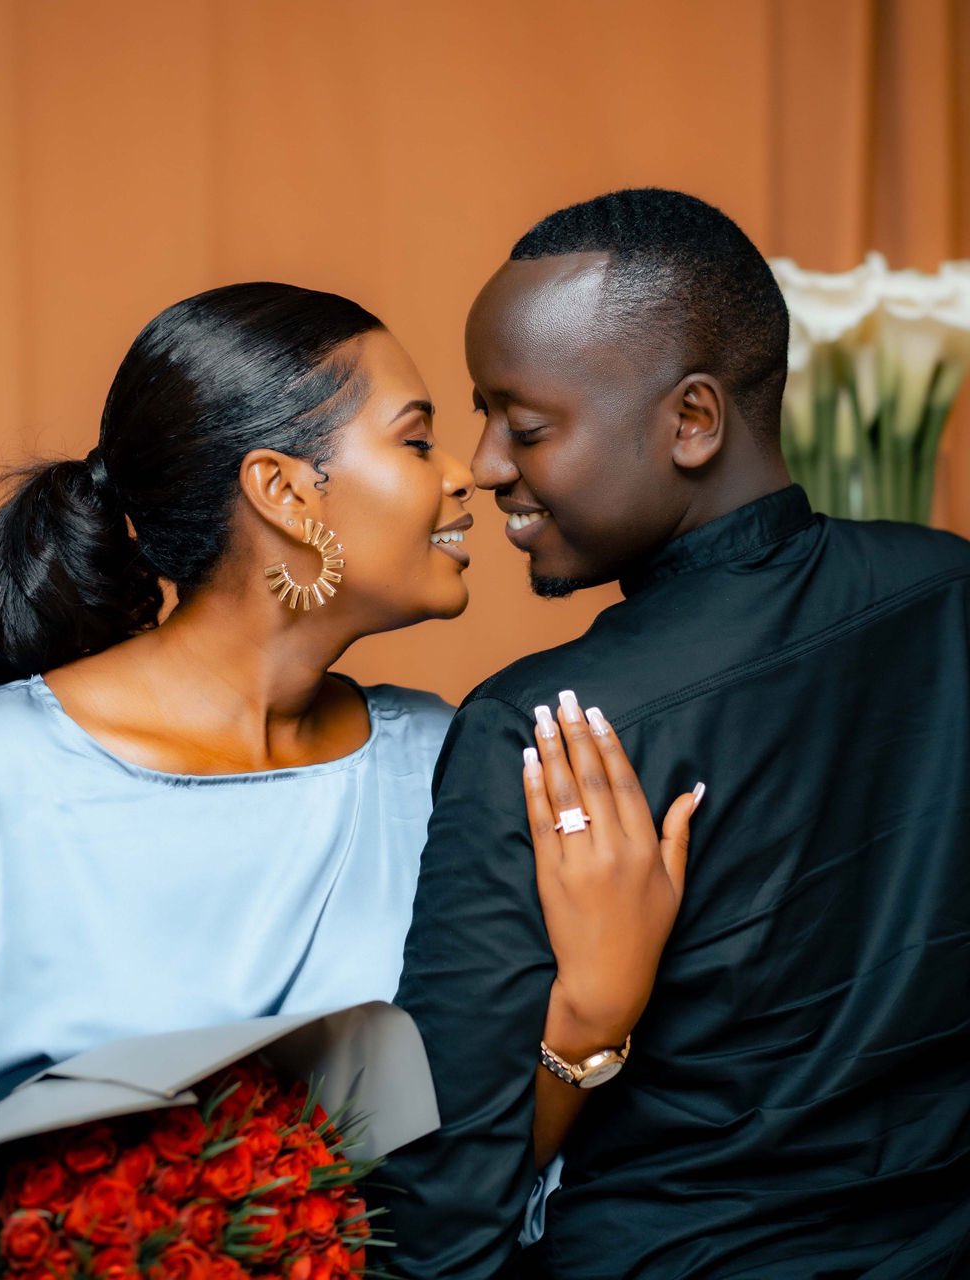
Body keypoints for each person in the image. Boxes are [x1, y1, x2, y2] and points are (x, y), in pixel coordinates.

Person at [0, 280, 696, 1202]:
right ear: (285, 492)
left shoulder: (445, 764)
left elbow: (459, 1186)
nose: (464, 474)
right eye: (415, 441)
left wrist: (592, 1015)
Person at [378, 189, 970, 1279]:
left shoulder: (546, 731)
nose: (487, 463)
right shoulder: (950, 588)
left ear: (693, 419)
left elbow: (439, 1218)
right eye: (481, 416)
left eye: (525, 425)